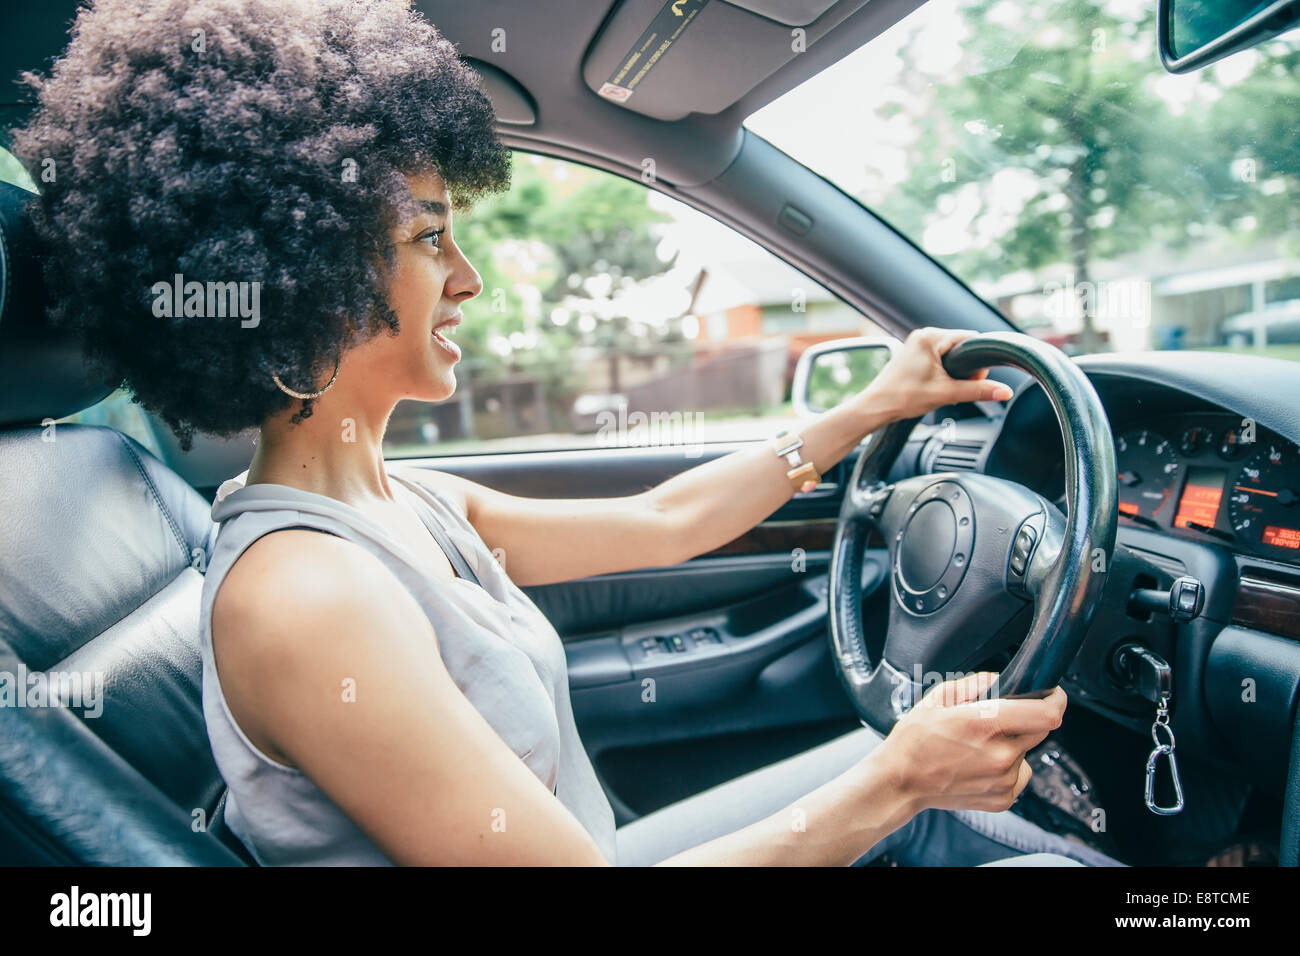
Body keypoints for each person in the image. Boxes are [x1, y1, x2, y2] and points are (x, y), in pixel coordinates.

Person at [13, 0, 1119, 866]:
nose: (469, 277)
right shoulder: (302, 599)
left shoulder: (405, 503)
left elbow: (663, 518)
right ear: (300, 277)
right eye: (431, 239)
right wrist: (902, 780)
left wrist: (866, 405)